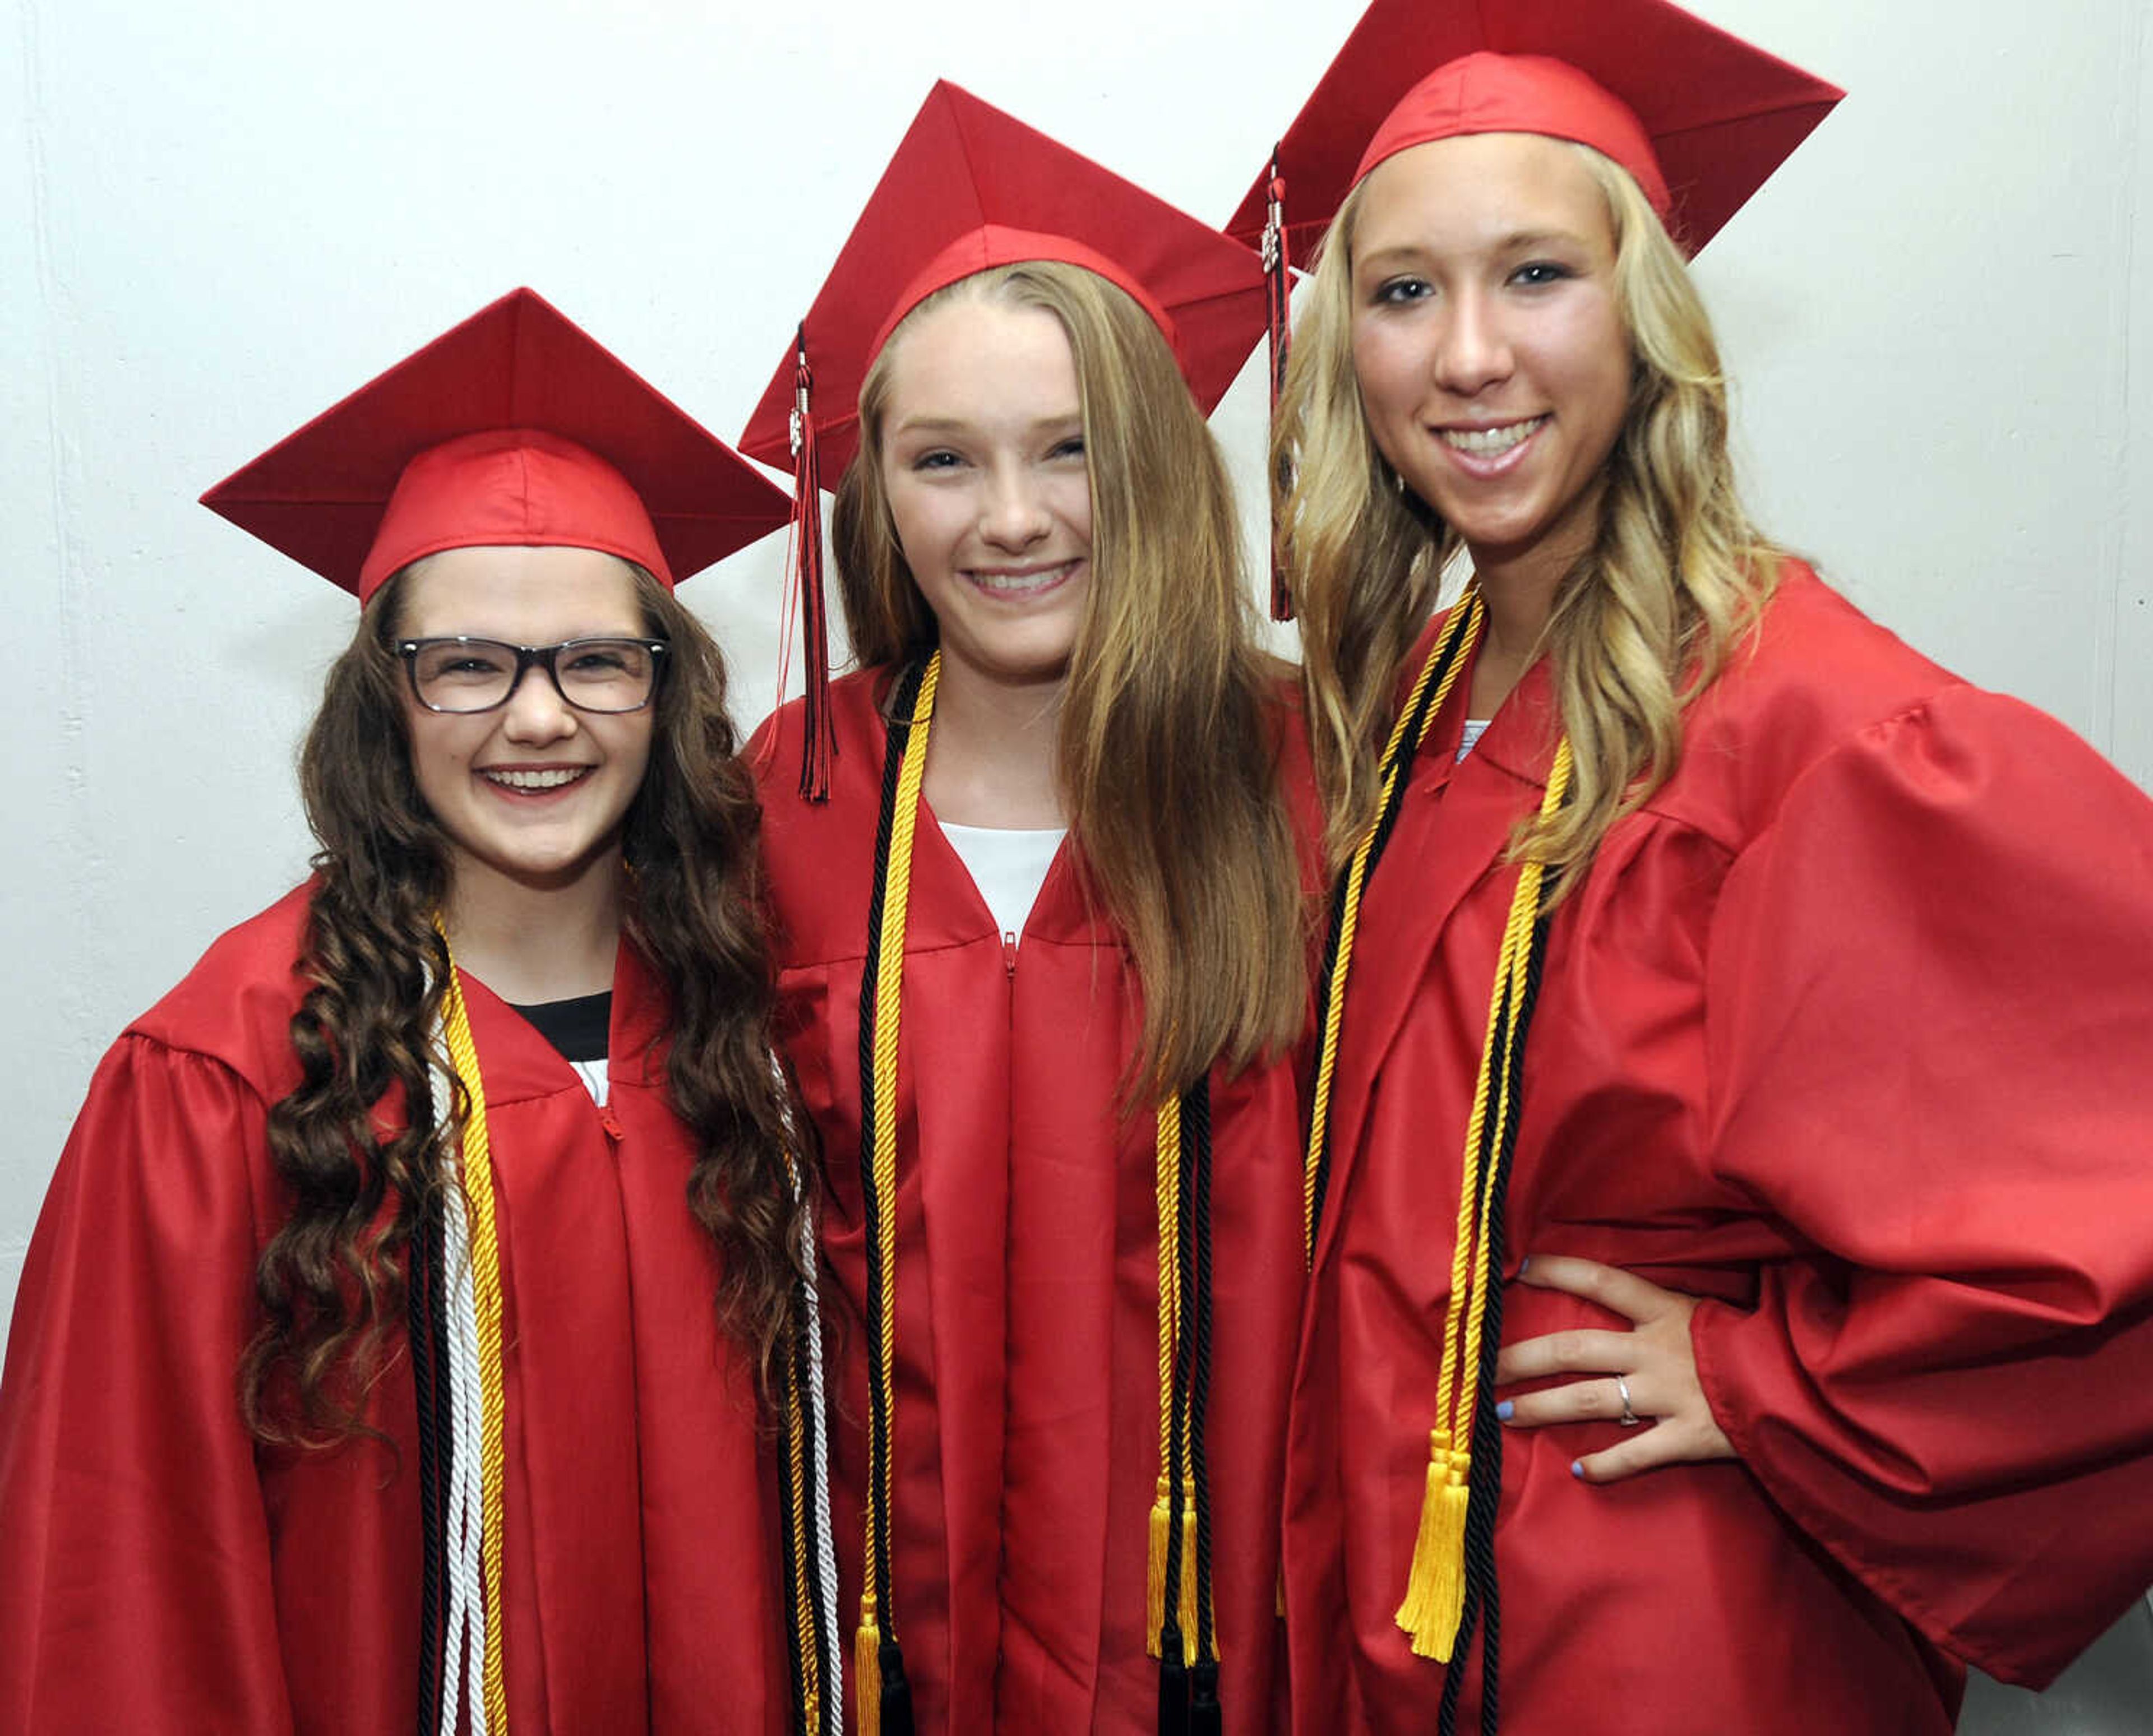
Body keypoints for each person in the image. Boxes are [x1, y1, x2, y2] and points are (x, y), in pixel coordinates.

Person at [1237, 1, 2153, 1730]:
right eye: (1403, 290)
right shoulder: (1415, 696)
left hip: (1659, 1608)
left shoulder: (1811, 720)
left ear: (1650, 323)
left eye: (1536, 276)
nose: (1469, 357)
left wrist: (1761, 1376)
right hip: (1390, 1581)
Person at [0, 288, 838, 1735]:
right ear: (381, 698)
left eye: (593, 656)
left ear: (665, 684)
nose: (536, 718)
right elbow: (122, 1573)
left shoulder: (745, 1031)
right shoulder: (224, 1070)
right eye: (466, 663)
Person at [738, 82, 1316, 1735]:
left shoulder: (1315, 784)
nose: (1011, 518)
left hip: (1222, 1639)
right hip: (874, 1638)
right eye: (943, 459)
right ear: (870, 493)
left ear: (1151, 465)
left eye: (1072, 451)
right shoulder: (776, 802)